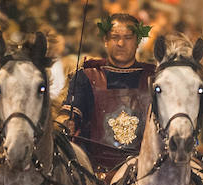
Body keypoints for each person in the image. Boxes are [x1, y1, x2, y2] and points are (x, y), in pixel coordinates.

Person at [59, 12, 154, 173]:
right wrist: (64, 123)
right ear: (105, 41)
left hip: (144, 174)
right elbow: (69, 113)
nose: (121, 43)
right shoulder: (87, 76)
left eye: (128, 37)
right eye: (114, 37)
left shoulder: (154, 78)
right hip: (94, 174)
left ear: (137, 41)